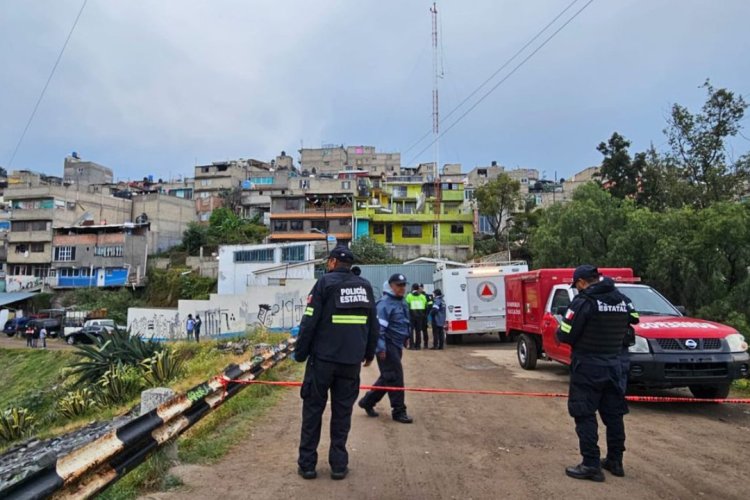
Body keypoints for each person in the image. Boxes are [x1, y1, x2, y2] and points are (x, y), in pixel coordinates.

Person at [294, 246, 378, 481]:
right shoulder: (365, 286)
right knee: (342, 414)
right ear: (350, 265)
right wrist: (369, 353)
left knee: (313, 412)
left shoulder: (324, 284)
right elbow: (373, 323)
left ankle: (308, 465)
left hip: (323, 362)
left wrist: (300, 354)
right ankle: (338, 466)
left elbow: (309, 321)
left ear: (332, 262)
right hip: (350, 363)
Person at [557, 265, 639, 482]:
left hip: (588, 367)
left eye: (577, 285)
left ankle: (591, 464)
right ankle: (615, 460)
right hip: (615, 366)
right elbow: (634, 318)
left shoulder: (584, 302)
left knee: (584, 413)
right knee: (614, 415)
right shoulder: (622, 299)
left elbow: (565, 334)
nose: (577, 289)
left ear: (582, 282)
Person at [358, 273, 414, 424]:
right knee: (395, 378)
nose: (402, 288)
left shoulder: (400, 301)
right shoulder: (384, 304)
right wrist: (380, 348)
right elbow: (379, 330)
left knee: (388, 376)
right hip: (387, 347)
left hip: (396, 345)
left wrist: (407, 337)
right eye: (398, 285)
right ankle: (399, 411)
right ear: (390, 286)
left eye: (403, 285)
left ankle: (367, 402)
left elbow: (404, 321)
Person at [405, 283, 427, 350]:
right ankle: (418, 346)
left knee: (411, 331)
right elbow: (426, 306)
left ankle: (412, 346)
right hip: (420, 316)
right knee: (418, 331)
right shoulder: (422, 296)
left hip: (411, 316)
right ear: (418, 288)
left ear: (412, 288)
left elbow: (406, 306)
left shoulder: (409, 296)